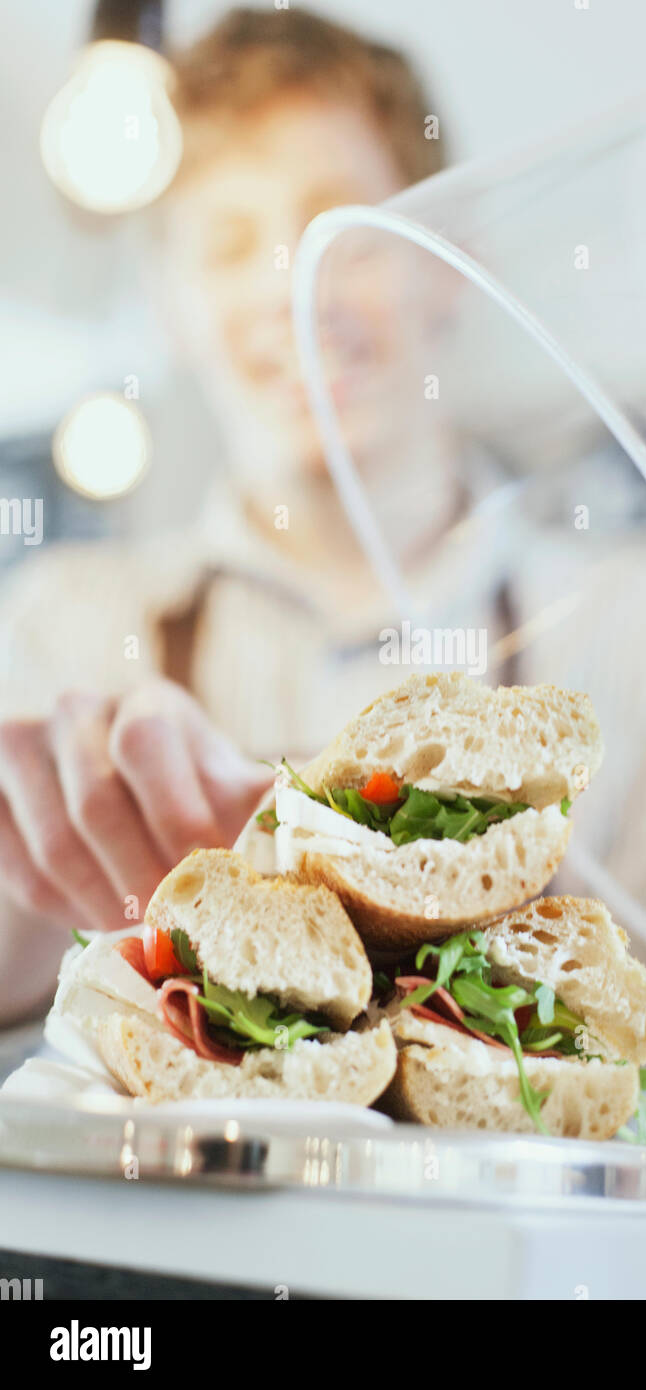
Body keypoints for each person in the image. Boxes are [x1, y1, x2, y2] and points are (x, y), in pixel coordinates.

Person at [0, 8, 510, 1022]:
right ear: (173, 305)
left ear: (446, 257)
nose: (293, 288)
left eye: (340, 224)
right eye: (231, 245)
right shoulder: (62, 630)